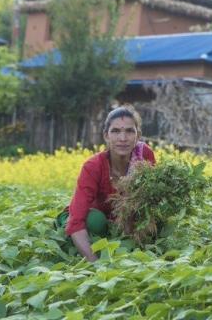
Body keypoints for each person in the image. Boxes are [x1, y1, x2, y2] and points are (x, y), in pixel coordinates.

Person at [57, 105, 156, 261]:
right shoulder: (93, 166)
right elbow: (76, 222)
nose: (122, 138)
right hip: (92, 216)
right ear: (106, 136)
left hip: (122, 219)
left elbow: (150, 200)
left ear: (138, 136)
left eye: (129, 131)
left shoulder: (144, 156)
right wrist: (95, 264)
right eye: (115, 131)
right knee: (96, 221)